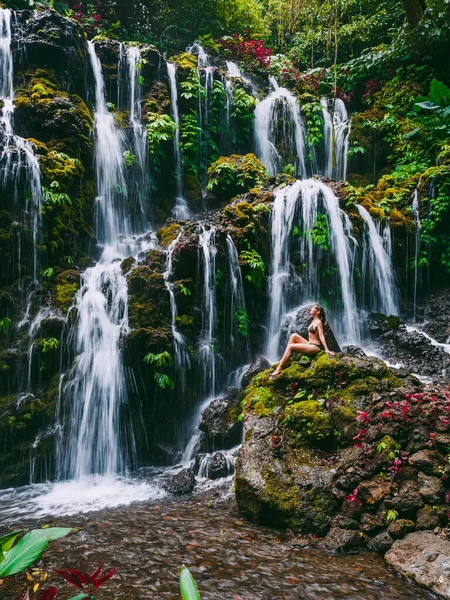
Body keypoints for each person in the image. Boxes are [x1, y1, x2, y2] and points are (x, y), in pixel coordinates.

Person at [270, 304, 335, 379]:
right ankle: (283, 360)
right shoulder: (313, 320)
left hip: (315, 347)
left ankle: (280, 368)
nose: (310, 309)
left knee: (290, 347)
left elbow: (321, 336)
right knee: (294, 336)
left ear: (318, 312)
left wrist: (326, 349)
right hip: (310, 344)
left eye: (313, 308)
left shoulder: (318, 322)